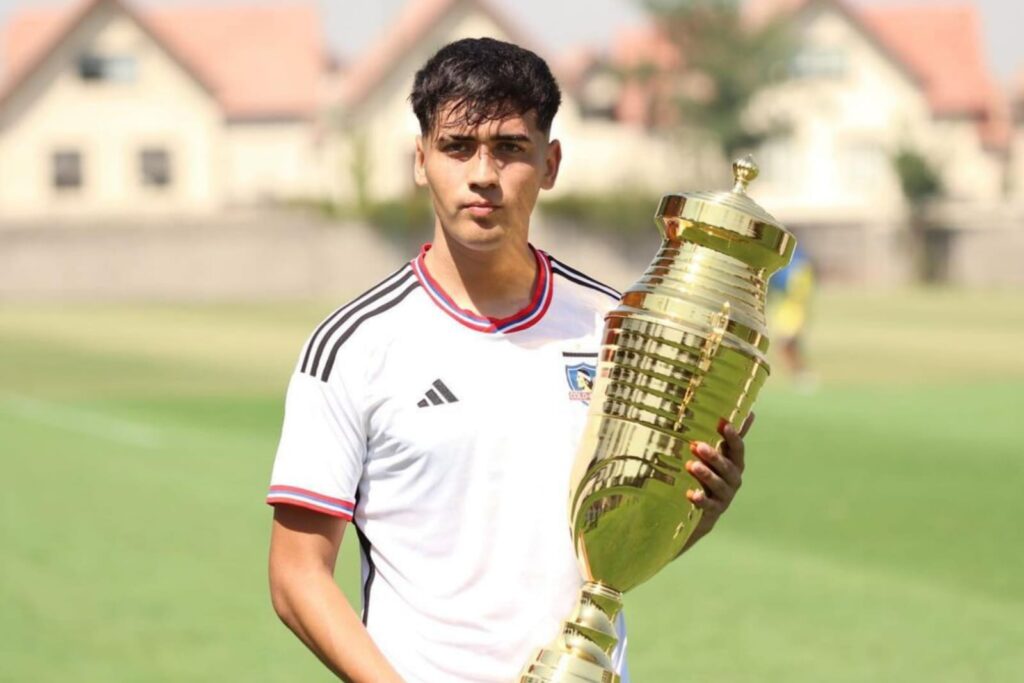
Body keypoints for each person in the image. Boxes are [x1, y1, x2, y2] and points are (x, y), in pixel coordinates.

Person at [266, 37, 752, 683]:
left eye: (510, 148)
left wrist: (693, 509)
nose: (483, 174)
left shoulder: (618, 329)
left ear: (550, 163)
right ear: (421, 160)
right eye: (457, 146)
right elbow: (297, 575)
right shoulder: (353, 345)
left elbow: (615, 545)